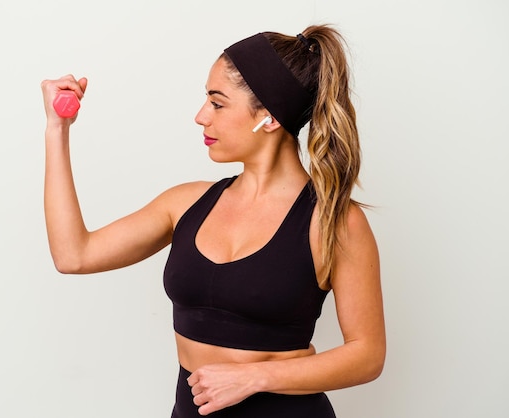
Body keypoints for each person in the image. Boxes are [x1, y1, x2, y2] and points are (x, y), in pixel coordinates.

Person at [41, 24, 385, 418]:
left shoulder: (335, 222)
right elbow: (74, 255)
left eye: (217, 103)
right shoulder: (186, 202)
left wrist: (253, 378)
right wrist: (57, 130)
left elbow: (367, 354)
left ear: (269, 118)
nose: (201, 116)